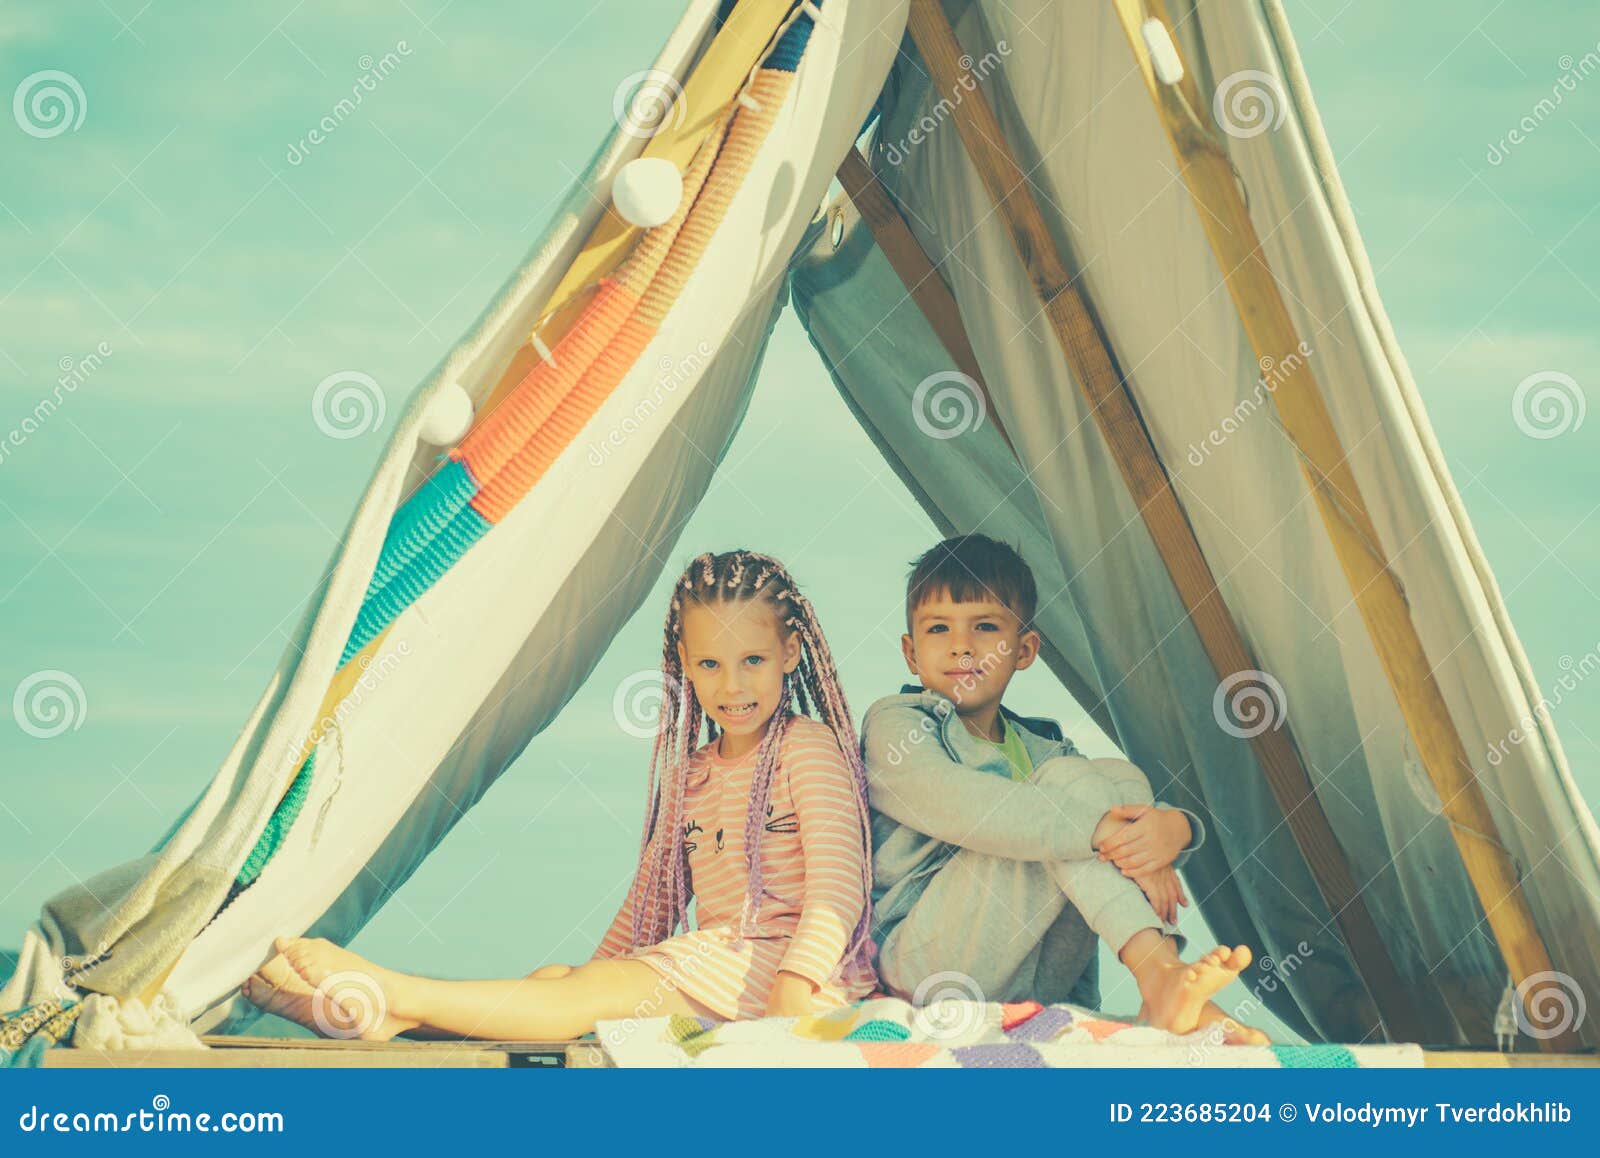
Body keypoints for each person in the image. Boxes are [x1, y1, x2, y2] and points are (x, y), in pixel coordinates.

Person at [244, 549, 876, 1040]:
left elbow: (838, 888)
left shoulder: (806, 746)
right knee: (558, 984)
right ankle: (385, 1016)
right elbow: (647, 904)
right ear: (684, 660)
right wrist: (591, 974)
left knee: (584, 996)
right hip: (716, 963)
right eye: (711, 664)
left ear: (790, 651)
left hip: (795, 973)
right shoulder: (692, 772)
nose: (732, 685)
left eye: (753, 661)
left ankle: (398, 990)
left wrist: (794, 986)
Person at [864, 533, 1264, 1041]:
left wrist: (1176, 829)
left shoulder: (1045, 747)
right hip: (927, 965)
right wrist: (1098, 828)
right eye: (939, 628)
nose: (962, 645)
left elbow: (1103, 805)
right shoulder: (897, 725)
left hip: (1040, 979)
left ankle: (1165, 985)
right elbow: (967, 808)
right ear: (911, 652)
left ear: (1025, 649)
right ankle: (1159, 976)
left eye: (985, 627)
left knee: (1110, 775)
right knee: (1069, 791)